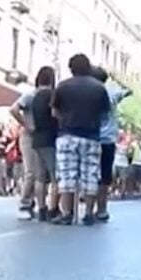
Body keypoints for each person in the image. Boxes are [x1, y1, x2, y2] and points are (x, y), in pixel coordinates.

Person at [51, 54, 110, 225]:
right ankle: (89, 213)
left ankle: (67, 213)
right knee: (90, 175)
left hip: (67, 135)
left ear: (71, 68)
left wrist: (66, 119)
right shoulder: (99, 88)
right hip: (91, 137)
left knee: (67, 176)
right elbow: (105, 114)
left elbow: (54, 112)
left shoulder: (62, 86)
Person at [92, 66, 132, 222]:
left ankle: (88, 207)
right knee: (105, 176)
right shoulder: (113, 92)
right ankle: (102, 209)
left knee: (91, 174)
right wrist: (117, 78)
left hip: (92, 137)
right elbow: (129, 91)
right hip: (108, 139)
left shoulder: (90, 91)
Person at [30, 66, 61, 221]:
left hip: (37, 138)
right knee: (56, 177)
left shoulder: (35, 97)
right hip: (50, 138)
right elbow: (55, 115)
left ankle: (41, 208)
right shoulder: (52, 95)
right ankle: (52, 209)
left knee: (40, 178)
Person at [10, 73, 41, 215]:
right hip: (29, 135)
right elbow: (14, 109)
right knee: (31, 172)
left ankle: (31, 201)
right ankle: (24, 202)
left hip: (40, 135)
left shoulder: (44, 96)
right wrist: (26, 124)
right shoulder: (31, 95)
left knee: (38, 172)